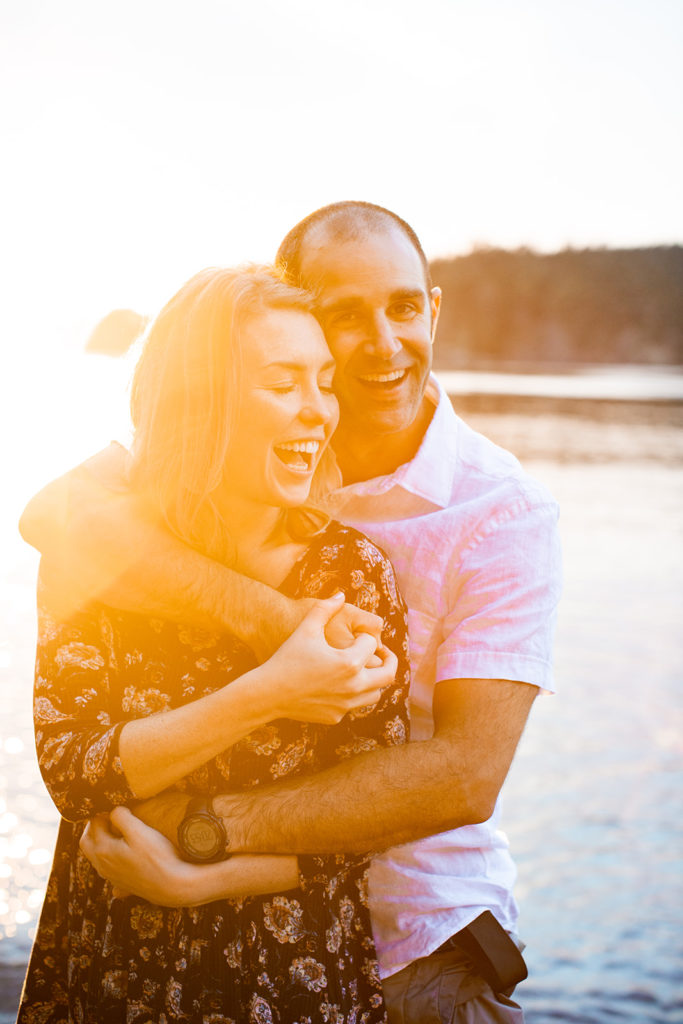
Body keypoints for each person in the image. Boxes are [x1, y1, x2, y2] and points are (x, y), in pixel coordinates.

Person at [21, 202, 562, 1022]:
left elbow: (464, 776)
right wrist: (275, 624)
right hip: (187, 926)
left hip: (417, 937)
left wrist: (198, 834)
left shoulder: (502, 511)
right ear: (296, 318)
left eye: (404, 307)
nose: (383, 343)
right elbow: (51, 517)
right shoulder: (237, 446)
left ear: (433, 309)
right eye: (345, 315)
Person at [17, 265, 411, 1023]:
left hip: (292, 985)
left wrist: (202, 876)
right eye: (282, 382)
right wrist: (269, 692)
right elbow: (74, 775)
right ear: (200, 400)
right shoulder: (100, 554)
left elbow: (370, 819)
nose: (318, 412)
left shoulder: (354, 573)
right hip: (110, 972)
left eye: (322, 381)